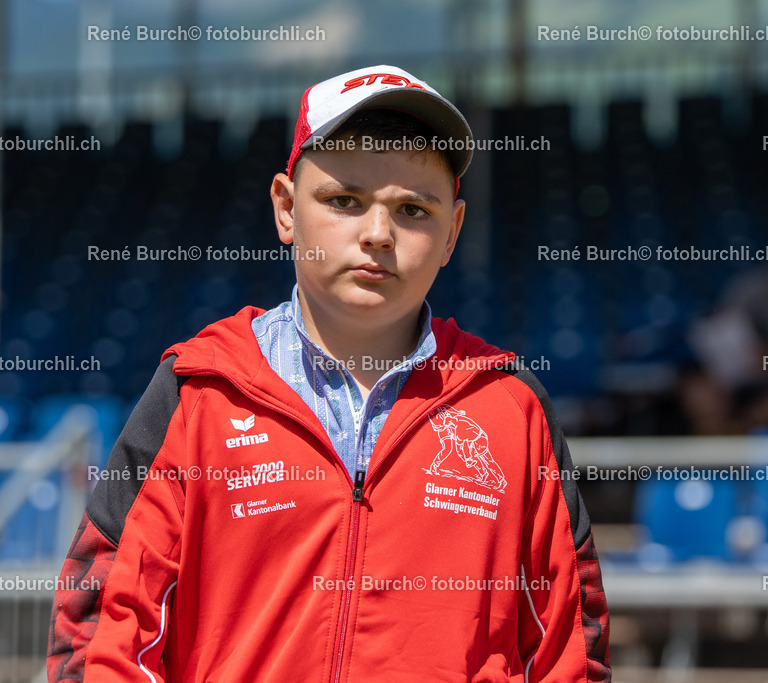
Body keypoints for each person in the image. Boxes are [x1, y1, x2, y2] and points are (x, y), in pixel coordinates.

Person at [47, 64, 611, 682]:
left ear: (452, 232)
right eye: (344, 201)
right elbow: (103, 626)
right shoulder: (199, 391)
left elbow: (569, 651)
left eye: (413, 210)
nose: (377, 234)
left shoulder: (510, 408)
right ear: (286, 210)